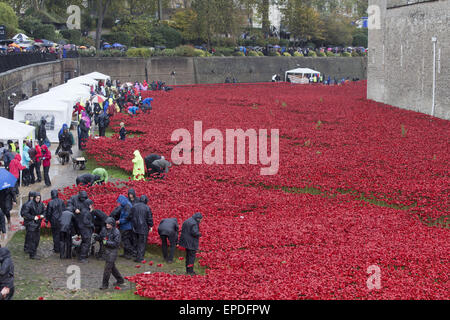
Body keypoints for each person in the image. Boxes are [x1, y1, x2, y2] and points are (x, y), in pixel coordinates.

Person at [99, 217, 125, 290]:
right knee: (112, 267)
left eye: (109, 224)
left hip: (113, 251)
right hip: (107, 251)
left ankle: (105, 284)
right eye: (106, 223)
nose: (107, 225)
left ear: (112, 224)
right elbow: (101, 237)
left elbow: (116, 243)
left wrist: (106, 242)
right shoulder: (105, 230)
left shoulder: (116, 232)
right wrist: (97, 237)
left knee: (107, 268)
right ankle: (120, 280)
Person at [128, 195, 153, 263]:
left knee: (136, 242)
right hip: (143, 228)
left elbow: (130, 216)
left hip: (135, 227)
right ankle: (140, 258)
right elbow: (149, 218)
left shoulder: (134, 206)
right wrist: (151, 226)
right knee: (142, 243)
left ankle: (135, 255)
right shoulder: (147, 208)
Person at [22, 192, 45, 259]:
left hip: (37, 224)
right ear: (34, 198)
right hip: (31, 224)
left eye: (39, 198)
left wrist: (42, 215)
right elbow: (25, 213)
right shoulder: (29, 204)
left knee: (37, 239)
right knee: (32, 239)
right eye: (37, 198)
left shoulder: (41, 204)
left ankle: (34, 252)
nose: (38, 199)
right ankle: (32, 254)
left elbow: (44, 210)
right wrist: (33, 217)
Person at [113, 195, 135, 259]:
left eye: (120, 202)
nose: (119, 203)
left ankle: (129, 254)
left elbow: (127, 217)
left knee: (126, 240)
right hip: (124, 226)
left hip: (126, 227)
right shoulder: (125, 205)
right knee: (125, 240)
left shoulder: (127, 206)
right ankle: (126, 253)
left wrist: (120, 221)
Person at [73, 199, 94, 263]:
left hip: (82, 229)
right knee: (86, 243)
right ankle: (82, 257)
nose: (91, 206)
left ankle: (79, 254)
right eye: (91, 204)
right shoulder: (86, 212)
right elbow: (85, 221)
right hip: (85, 229)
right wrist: (91, 225)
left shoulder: (83, 210)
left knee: (84, 242)